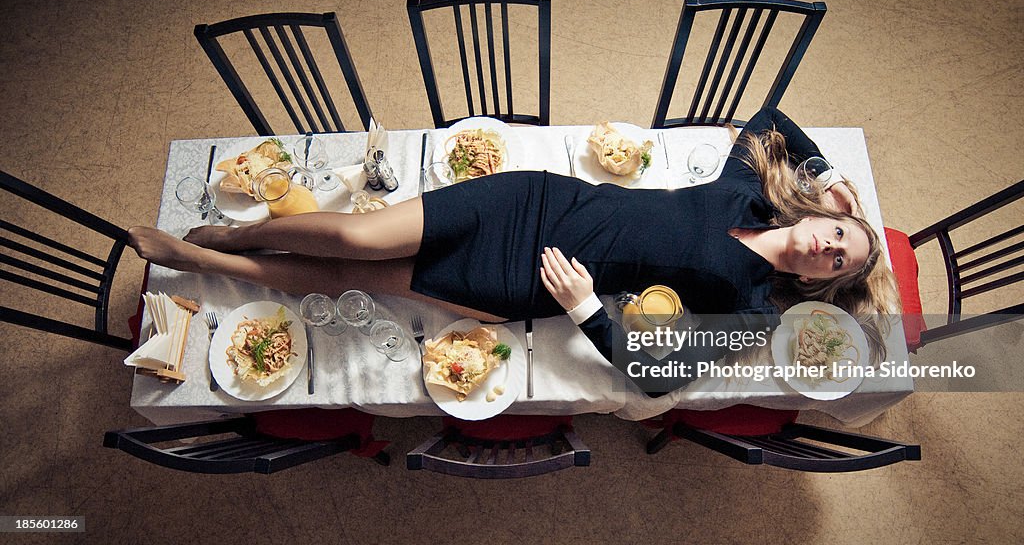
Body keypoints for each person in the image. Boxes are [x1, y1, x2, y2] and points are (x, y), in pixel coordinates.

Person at [129, 107, 896, 395]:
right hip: (534, 199)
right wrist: (836, 180)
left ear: (826, 283)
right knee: (353, 234)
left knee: (346, 275)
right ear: (824, 213)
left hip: (526, 281)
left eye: (839, 261)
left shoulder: (756, 309)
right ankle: (244, 231)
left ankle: (214, 263)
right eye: (837, 233)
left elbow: (660, 376)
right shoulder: (745, 190)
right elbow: (770, 116)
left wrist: (587, 310)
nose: (826, 249)